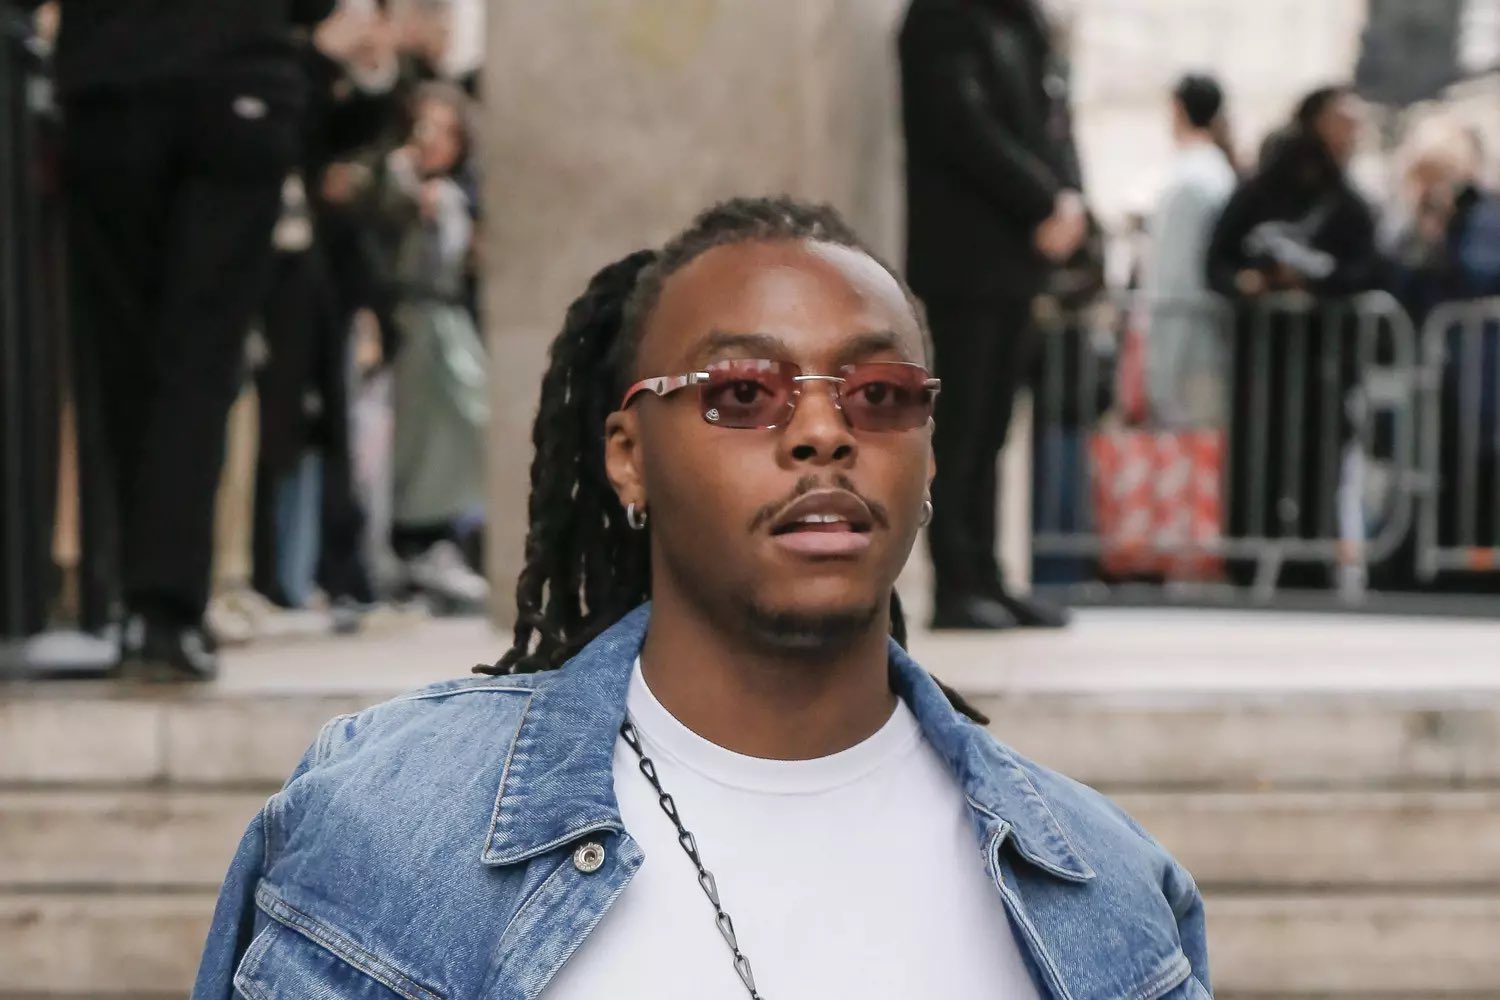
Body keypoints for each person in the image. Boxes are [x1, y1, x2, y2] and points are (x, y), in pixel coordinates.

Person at [191, 197, 1210, 999]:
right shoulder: (393, 829)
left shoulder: (1109, 895)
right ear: (627, 457)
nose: (824, 433)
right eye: (742, 394)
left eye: (880, 395)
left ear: (929, 452)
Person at [34, 0, 336, 678]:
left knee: (123, 354)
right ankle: (165, 609)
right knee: (203, 353)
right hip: (238, 77)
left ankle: (138, 603)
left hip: (111, 82)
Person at [899, 0, 1083, 630]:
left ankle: (987, 574)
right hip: (967, 256)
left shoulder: (1022, 21)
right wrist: (1044, 200)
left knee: (996, 427)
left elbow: (1053, 119)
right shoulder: (941, 17)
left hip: (1017, 258)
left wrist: (1069, 200)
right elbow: (961, 126)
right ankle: (956, 582)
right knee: (964, 428)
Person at [1206, 85, 1384, 586]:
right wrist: (1249, 283)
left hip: (1324, 361)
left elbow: (1368, 271)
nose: (1352, 134)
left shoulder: (1349, 203)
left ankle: (1310, 564)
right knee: (1254, 458)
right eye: (1342, 121)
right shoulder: (1260, 191)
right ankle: (1244, 558)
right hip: (1262, 359)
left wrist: (1313, 284)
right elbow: (1217, 261)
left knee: (1319, 462)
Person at [1146, 74, 1238, 428]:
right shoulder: (1212, 172)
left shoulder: (1191, 180)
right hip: (1199, 338)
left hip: (1190, 343)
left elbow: (1176, 274)